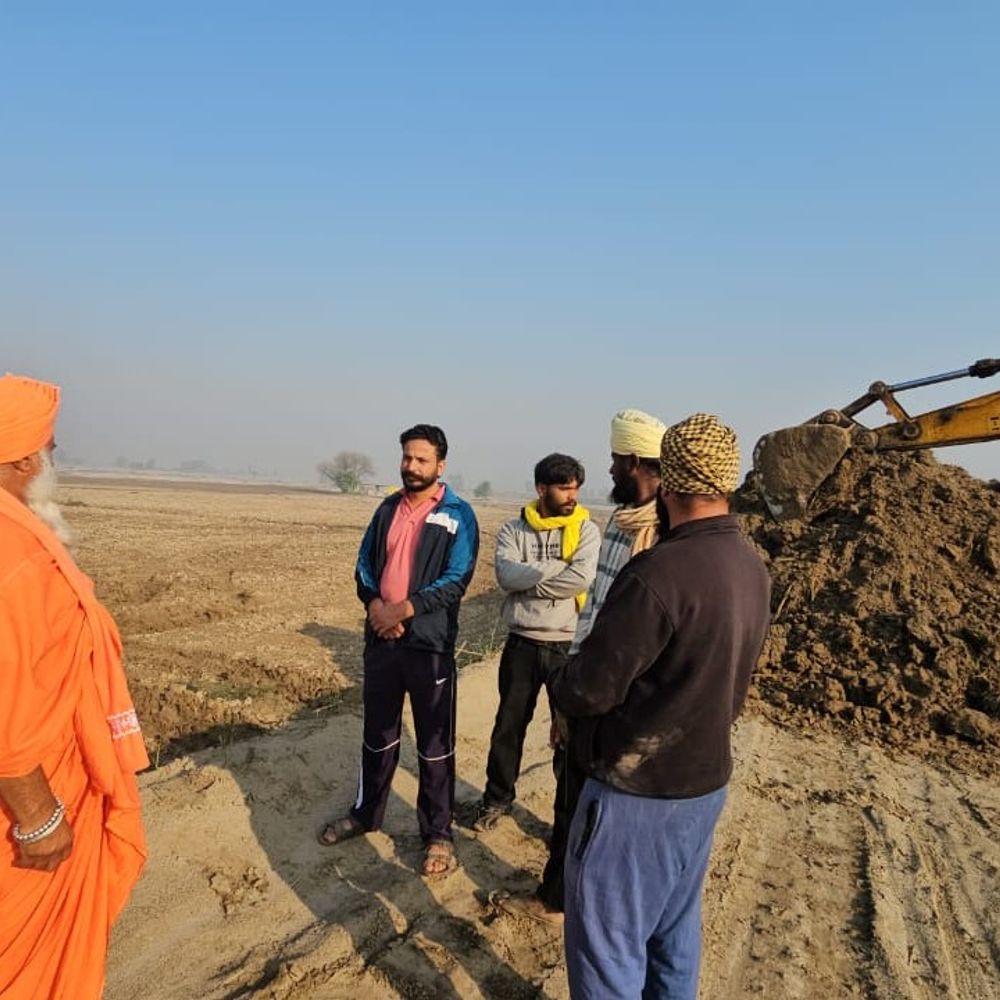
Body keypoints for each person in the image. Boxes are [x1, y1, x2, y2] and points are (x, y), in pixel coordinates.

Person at [551, 413, 771, 999]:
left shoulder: (659, 573)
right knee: (672, 940)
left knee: (608, 951)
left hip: (636, 796)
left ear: (668, 479)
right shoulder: (751, 567)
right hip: (702, 787)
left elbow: (590, 690)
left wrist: (560, 682)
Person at [0, 374, 148, 1000]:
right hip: (30, 805)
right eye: (51, 450)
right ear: (24, 460)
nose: (53, 464)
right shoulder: (13, 556)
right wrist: (37, 818)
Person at [496, 409, 667, 925]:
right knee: (570, 791)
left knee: (599, 801)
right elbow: (589, 606)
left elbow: (606, 604)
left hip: (623, 690)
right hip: (586, 672)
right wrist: (571, 691)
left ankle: (566, 901)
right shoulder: (621, 523)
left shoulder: (663, 533)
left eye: (615, 460)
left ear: (633, 460)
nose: (609, 471)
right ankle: (560, 893)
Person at [319, 424, 479, 877]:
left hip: (429, 646)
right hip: (382, 642)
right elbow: (364, 565)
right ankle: (365, 814)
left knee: (434, 745)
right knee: (379, 734)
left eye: (421, 459)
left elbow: (457, 579)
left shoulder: (457, 515)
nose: (412, 466)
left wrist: (404, 610)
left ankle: (438, 833)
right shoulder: (387, 508)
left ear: (440, 465)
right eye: (407, 457)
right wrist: (375, 607)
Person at [471, 453, 599, 834]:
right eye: (564, 488)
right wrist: (557, 570)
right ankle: (496, 799)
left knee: (568, 735)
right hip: (522, 645)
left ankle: (566, 820)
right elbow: (506, 576)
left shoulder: (586, 530)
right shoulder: (514, 530)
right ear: (542, 489)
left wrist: (530, 583)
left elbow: (581, 579)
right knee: (508, 728)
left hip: (567, 647)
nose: (572, 496)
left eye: (575, 488)